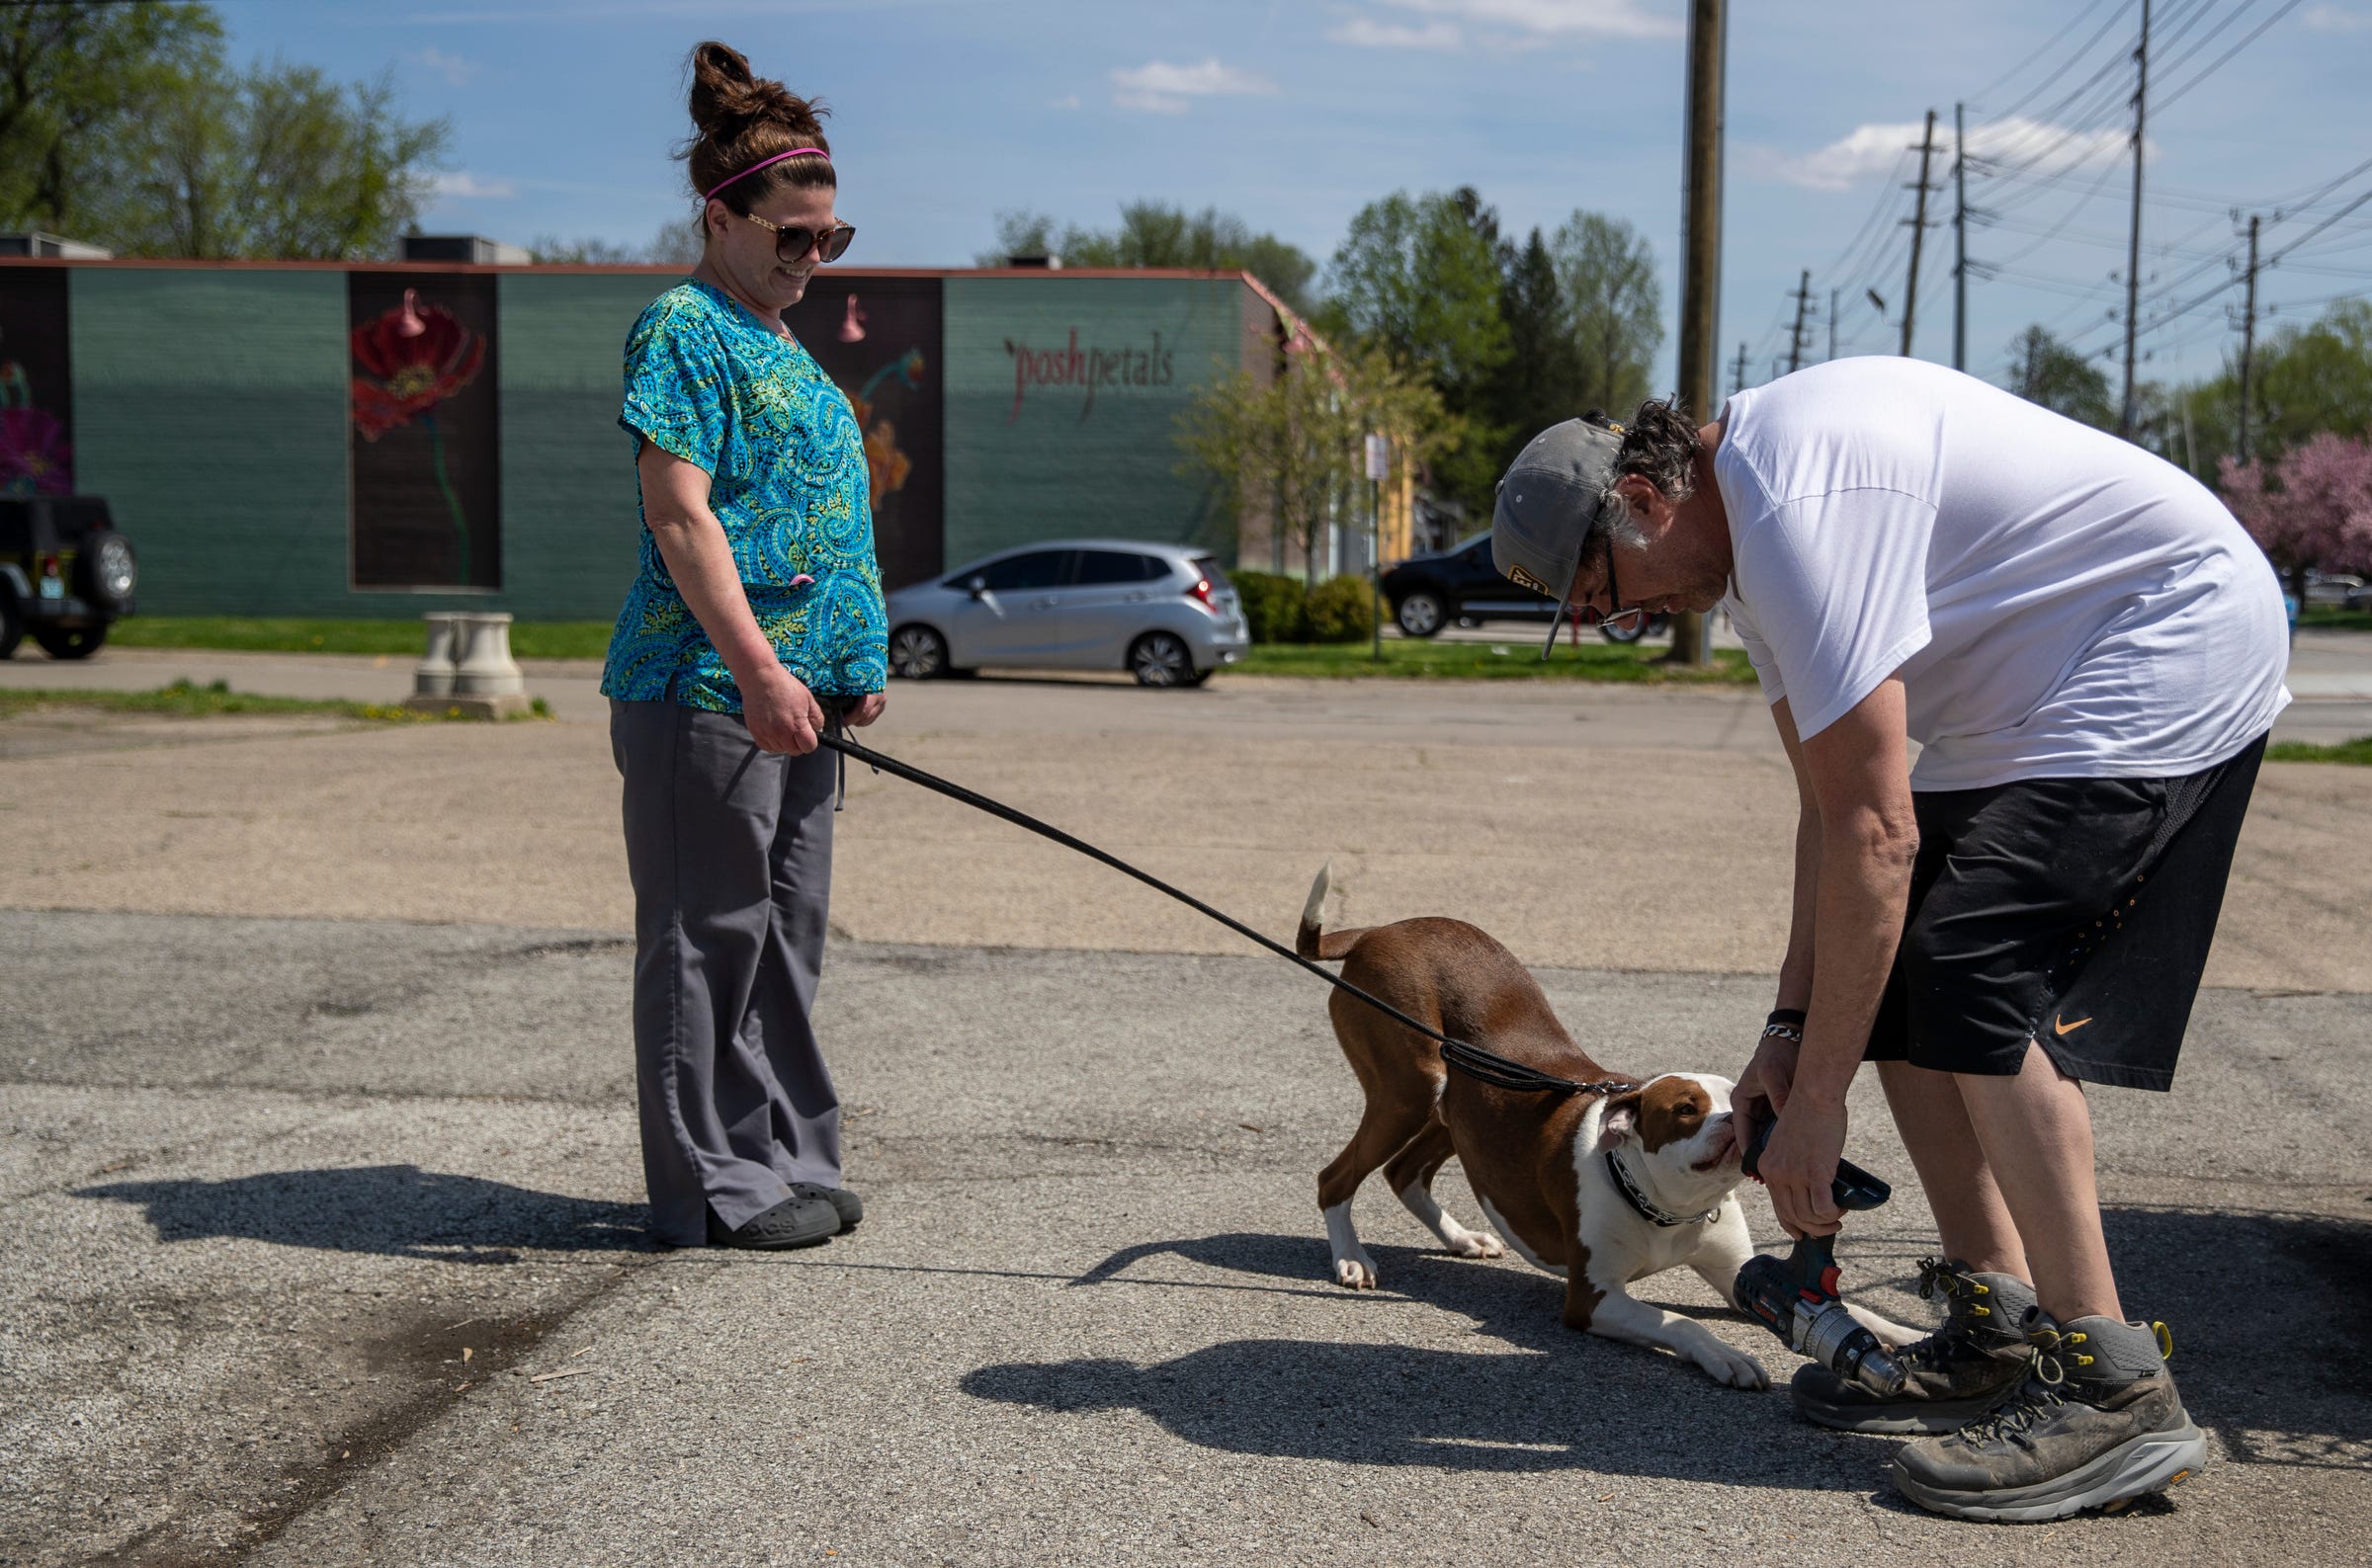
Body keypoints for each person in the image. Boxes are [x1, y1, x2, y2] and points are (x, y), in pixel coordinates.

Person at [1489, 357, 2287, 1522]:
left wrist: (1818, 1108)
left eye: (1605, 592)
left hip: (2166, 636)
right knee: (1912, 974)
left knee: (1973, 973)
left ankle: (2115, 1388)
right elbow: (1828, 812)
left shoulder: (1798, 513)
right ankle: (2001, 1327)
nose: (1622, 619)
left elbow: (1876, 832)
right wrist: (1789, 1031)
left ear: (1645, 505)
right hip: (2041, 688)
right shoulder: (1746, 562)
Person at [602, 41, 887, 1252]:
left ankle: (788, 1159)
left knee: (786, 935)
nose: (813, 258)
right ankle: (714, 1188)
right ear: (723, 216)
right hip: (707, 688)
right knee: (706, 934)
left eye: (832, 239)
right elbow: (680, 515)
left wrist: (848, 661)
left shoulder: (785, 345)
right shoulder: (684, 329)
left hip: (800, 697)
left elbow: (817, 521)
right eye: (793, 236)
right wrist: (765, 670)